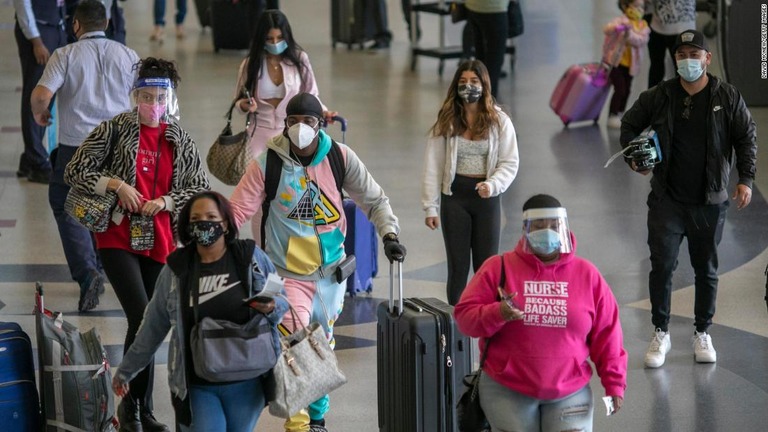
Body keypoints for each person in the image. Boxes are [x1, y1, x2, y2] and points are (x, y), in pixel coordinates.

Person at [229, 92, 407, 432]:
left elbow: (374, 199)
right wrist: (212, 241)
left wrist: (390, 235)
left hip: (330, 275)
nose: (300, 128)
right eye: (292, 122)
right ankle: (298, 425)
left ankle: (318, 417)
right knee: (295, 343)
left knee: (321, 343)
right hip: (285, 274)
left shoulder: (340, 158)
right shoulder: (268, 162)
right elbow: (237, 209)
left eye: (307, 122)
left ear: (320, 123)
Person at [64, 58, 210, 432]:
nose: (152, 103)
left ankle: (142, 409)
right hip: (116, 235)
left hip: (159, 238)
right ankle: (129, 409)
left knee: (151, 324)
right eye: (145, 96)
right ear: (134, 96)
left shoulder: (180, 138)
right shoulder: (114, 129)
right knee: (141, 315)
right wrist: (116, 186)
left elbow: (197, 188)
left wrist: (165, 201)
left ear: (170, 99)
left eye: (159, 97)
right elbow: (75, 169)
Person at [620, 29, 757, 368]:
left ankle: (702, 332)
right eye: (681, 55)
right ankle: (660, 332)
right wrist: (635, 158)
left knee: (706, 270)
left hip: (709, 202)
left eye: (694, 55)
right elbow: (628, 124)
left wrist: (747, 179)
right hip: (667, 199)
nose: (687, 61)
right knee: (662, 266)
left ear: (707, 59)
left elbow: (746, 137)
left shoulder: (727, 97)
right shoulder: (660, 95)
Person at [112, 191, 289, 432]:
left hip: (248, 380)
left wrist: (271, 307)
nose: (203, 223)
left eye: (211, 216)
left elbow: (281, 301)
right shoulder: (176, 270)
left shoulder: (249, 258)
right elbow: (152, 326)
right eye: (195, 219)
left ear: (225, 223)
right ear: (187, 226)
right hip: (197, 385)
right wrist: (126, 371)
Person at [454, 194, 627, 432]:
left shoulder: (587, 275)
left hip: (570, 391)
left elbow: (608, 333)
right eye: (538, 226)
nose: (547, 232)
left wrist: (614, 384)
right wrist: (498, 313)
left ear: (564, 228)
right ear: (525, 229)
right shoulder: (498, 268)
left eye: (554, 226)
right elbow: (464, 319)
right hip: (507, 389)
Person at [30, 0, 139, 313]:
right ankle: (108, 266)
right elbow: (149, 94)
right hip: (118, 144)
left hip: (76, 147)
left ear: (75, 25)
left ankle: (88, 272)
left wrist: (41, 116)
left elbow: (41, 96)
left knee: (66, 204)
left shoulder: (64, 54)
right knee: (108, 202)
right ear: (105, 23)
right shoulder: (128, 54)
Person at [422, 59, 519, 306]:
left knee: (487, 266)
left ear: (484, 85)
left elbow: (510, 162)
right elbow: (432, 165)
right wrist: (430, 207)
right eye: (463, 82)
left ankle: (487, 317)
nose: (468, 87)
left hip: (486, 199)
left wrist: (493, 185)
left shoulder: (500, 122)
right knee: (457, 266)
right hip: (454, 198)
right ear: (456, 86)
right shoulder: (447, 121)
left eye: (474, 82)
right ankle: (457, 323)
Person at [233, 9, 336, 240]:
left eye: (279, 38)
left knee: (294, 192)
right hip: (259, 135)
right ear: (261, 39)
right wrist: (244, 105)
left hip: (293, 135)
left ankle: (293, 243)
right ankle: (262, 246)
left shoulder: (299, 60)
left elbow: (312, 95)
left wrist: (324, 111)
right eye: (269, 39)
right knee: (259, 198)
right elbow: (237, 101)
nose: (275, 43)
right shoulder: (250, 64)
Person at [13, 0, 68, 184]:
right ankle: (36, 162)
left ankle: (29, 158)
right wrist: (36, 41)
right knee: (36, 97)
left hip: (56, 26)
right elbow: (23, 6)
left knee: (48, 95)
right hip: (39, 33)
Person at [603, 0, 650, 128]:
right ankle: (612, 115)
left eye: (642, 7)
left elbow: (640, 40)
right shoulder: (620, 20)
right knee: (620, 88)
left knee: (627, 90)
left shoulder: (644, 26)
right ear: (626, 6)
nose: (639, 9)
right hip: (615, 63)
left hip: (631, 66)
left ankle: (620, 112)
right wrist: (616, 28)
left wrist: (629, 33)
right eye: (635, 6)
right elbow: (607, 29)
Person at [464, 0, 509, 98]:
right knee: (494, 61)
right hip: (495, 8)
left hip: (473, 7)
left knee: (481, 57)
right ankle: (487, 103)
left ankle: (479, 101)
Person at [646, 0, 695, 88]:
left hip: (682, 28)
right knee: (656, 69)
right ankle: (651, 100)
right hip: (658, 25)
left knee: (683, 72)